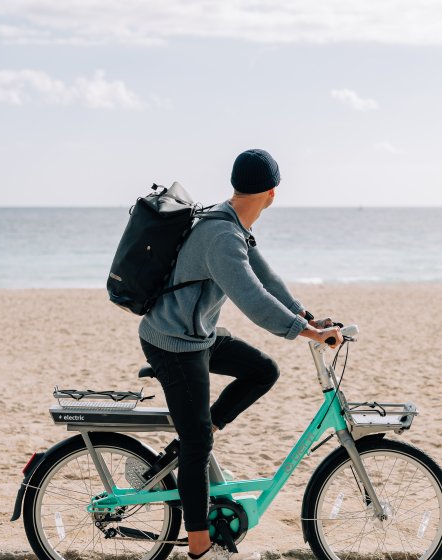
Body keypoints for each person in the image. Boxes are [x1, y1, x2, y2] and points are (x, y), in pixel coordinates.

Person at [139, 148, 342, 560]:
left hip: (197, 334)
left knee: (262, 370)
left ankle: (204, 428)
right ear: (272, 193)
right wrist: (305, 334)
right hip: (174, 343)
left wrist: (308, 318)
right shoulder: (221, 236)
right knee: (197, 448)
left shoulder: (230, 222)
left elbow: (267, 279)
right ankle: (200, 548)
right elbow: (251, 298)